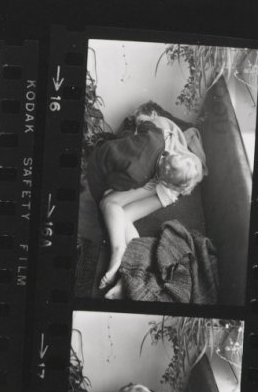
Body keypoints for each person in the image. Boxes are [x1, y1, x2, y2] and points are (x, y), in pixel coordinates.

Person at [84, 101, 206, 294]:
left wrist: (142, 120)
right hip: (168, 178)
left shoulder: (157, 136)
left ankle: (120, 254)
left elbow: (144, 123)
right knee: (121, 216)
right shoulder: (161, 141)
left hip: (167, 184)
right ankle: (130, 273)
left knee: (111, 205)